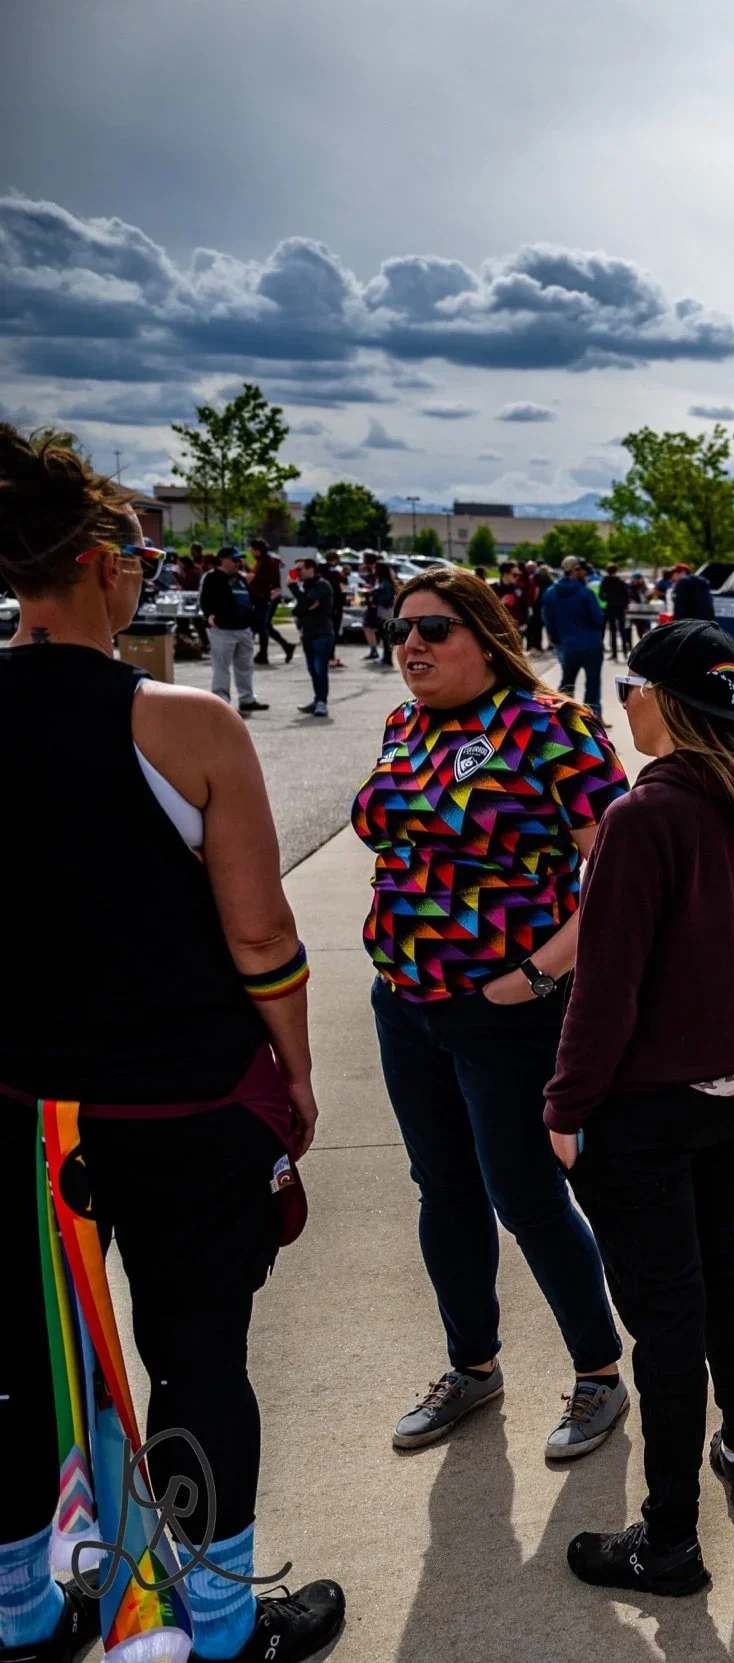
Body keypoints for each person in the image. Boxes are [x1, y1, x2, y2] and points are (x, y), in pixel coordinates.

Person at [0, 424, 347, 1661]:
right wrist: (297, 1066)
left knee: (19, 1362)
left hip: (23, 1100)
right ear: (100, 564)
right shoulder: (182, 723)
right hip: (182, 1098)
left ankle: (27, 1606)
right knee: (197, 1358)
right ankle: (211, 1620)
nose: (146, 568)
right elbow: (260, 931)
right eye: (138, 550)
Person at [355, 566, 630, 1461]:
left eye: (433, 628)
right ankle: (471, 1366)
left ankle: (598, 1374)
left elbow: (624, 876)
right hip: (405, 1003)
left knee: (527, 1194)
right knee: (444, 1189)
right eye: (400, 629)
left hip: (505, 1012)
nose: (412, 646)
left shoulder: (553, 726)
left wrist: (538, 977)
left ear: (484, 632)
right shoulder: (404, 724)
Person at [545, 619, 734, 1597]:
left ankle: (669, 1540)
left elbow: (606, 987)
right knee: (720, 1260)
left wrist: (564, 1104)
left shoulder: (649, 814)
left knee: (667, 1315)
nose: (621, 704)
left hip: (651, 1102)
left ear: (667, 701)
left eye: (631, 687)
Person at [199, 545, 263, 711]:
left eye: (239, 560)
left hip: (243, 629)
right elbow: (204, 599)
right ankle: (221, 702)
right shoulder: (212, 577)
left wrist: (253, 623)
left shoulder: (241, 579)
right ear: (223, 560)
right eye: (234, 560)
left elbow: (249, 600)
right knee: (221, 666)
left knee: (245, 666)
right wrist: (209, 615)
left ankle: (247, 699)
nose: (238, 563)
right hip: (222, 630)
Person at [542, 556, 607, 717]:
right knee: (592, 684)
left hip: (568, 645)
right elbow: (598, 618)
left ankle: (563, 717)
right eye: (582, 570)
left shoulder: (550, 593)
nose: (585, 573)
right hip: (591, 644)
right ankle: (592, 718)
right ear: (576, 570)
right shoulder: (585, 593)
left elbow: (548, 621)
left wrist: (558, 640)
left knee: (567, 684)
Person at [288, 556, 339, 718]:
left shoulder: (321, 585)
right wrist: (304, 606)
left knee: (319, 669)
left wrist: (294, 588)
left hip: (322, 633)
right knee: (312, 670)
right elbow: (300, 608)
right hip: (308, 633)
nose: (297, 573)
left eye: (300, 569)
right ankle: (317, 700)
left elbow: (306, 603)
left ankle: (322, 703)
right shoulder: (307, 586)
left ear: (311, 569)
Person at [247, 540, 294, 666]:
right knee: (263, 626)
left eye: (251, 549)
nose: (250, 552)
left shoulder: (268, 563)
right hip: (261, 598)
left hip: (267, 598)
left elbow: (265, 581)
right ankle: (283, 647)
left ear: (257, 550)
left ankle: (265, 653)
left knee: (263, 626)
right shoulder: (262, 562)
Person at [363, 558, 398, 662]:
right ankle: (385, 657)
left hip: (385, 611)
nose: (373, 570)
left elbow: (385, 597)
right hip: (384, 610)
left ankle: (387, 658)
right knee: (383, 634)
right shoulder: (382, 581)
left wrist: (374, 593)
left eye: (375, 568)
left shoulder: (385, 583)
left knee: (385, 634)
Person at [600, 565, 633, 659]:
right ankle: (625, 651)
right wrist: (624, 604)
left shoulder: (605, 581)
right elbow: (626, 595)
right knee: (622, 629)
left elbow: (601, 595)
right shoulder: (620, 581)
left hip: (610, 607)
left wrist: (608, 599)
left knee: (612, 630)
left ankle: (614, 653)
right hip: (620, 608)